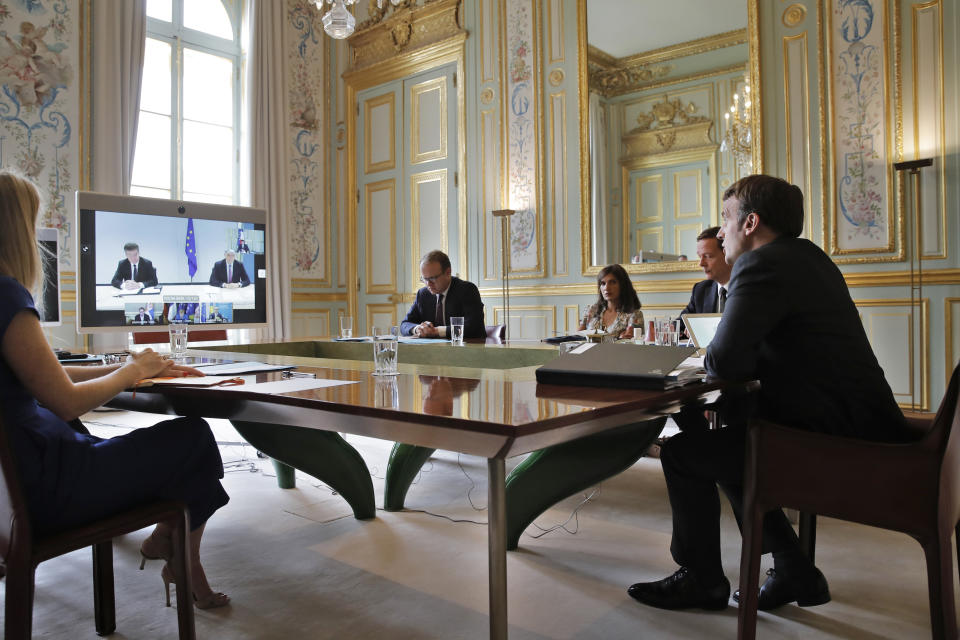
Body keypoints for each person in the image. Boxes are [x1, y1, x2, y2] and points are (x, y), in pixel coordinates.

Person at [627, 174, 911, 612]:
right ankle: (793, 566)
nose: (720, 232)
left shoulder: (762, 265)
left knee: (686, 454)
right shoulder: (810, 258)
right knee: (730, 438)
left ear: (750, 222)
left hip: (835, 444)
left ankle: (702, 580)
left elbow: (724, 362)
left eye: (725, 219)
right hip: (856, 425)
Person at [0, 170, 230, 610]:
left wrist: (130, 368)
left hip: (14, 491)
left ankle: (173, 548)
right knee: (194, 437)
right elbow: (64, 398)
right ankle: (172, 548)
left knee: (185, 457)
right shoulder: (7, 296)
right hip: (49, 491)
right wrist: (128, 373)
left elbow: (47, 380)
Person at [400, 250, 485, 339]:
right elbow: (405, 324)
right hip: (432, 351)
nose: (428, 284)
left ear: (448, 272)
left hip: (466, 349)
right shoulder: (423, 294)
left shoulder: (467, 290)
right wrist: (418, 329)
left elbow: (473, 327)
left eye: (432, 278)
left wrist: (437, 331)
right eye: (424, 279)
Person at [578, 264, 643, 339]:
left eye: (612, 282)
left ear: (623, 285)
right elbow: (578, 338)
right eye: (603, 283)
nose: (606, 288)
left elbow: (630, 344)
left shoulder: (634, 314)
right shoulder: (591, 310)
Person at [680, 226, 732, 317]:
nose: (701, 263)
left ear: (726, 254)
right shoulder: (701, 290)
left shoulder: (748, 288)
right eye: (700, 257)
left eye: (707, 256)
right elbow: (679, 324)